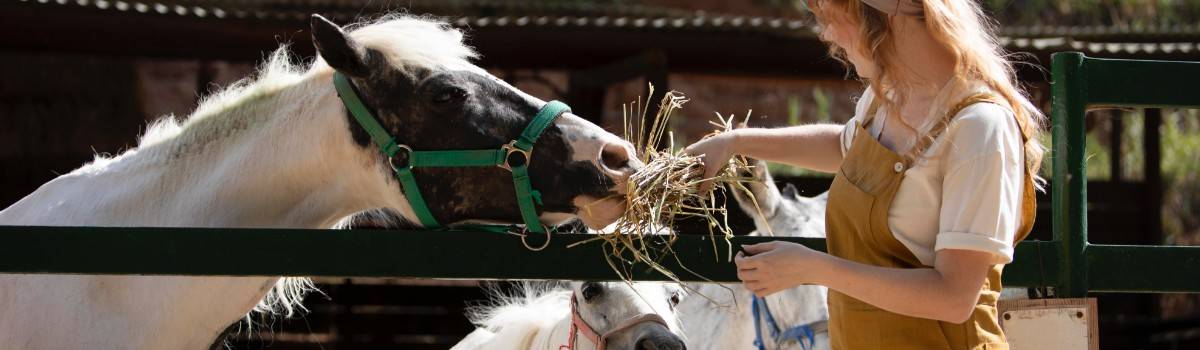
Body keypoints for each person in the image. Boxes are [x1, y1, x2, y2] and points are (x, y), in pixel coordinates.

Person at [683, 0, 1042, 348]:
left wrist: (813, 268)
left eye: (832, 15)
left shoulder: (980, 129)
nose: (826, 34)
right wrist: (735, 142)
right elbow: (846, 147)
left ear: (884, 22)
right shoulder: (887, 98)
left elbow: (953, 297)